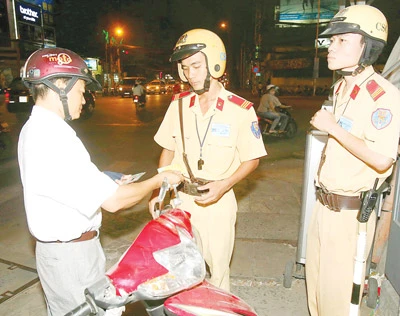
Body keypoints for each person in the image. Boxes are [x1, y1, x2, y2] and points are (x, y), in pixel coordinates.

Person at [17, 47, 182, 316]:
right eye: (81, 89)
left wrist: (103, 180)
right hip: (71, 259)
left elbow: (62, 184)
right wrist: (159, 179)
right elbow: (115, 202)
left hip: (65, 255)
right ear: (62, 86)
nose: (85, 98)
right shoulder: (53, 137)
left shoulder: (36, 128)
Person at [148, 28, 267, 292]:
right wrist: (160, 191)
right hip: (182, 200)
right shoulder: (178, 104)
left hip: (218, 203)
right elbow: (167, 149)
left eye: (196, 66)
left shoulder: (240, 109)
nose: (190, 75)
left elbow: (252, 159)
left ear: (214, 63)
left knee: (218, 274)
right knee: (184, 271)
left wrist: (224, 185)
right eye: (185, 68)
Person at [305, 5, 400, 316]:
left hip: (349, 216)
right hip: (323, 207)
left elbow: (383, 159)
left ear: (368, 47)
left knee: (338, 301)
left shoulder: (382, 96)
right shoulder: (342, 88)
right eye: (331, 41)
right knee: (316, 293)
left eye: (342, 41)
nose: (331, 47)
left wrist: (332, 127)